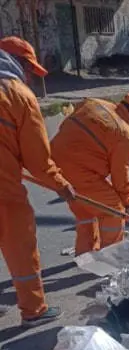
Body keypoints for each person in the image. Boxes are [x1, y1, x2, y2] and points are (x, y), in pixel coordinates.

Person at [0, 37, 76, 326]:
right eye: (29, 69)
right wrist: (61, 184)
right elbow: (38, 160)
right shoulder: (18, 95)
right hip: (3, 190)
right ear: (16, 63)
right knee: (21, 246)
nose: (30, 76)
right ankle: (34, 310)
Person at [51, 93, 129, 256]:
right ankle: (111, 258)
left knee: (86, 211)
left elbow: (71, 120)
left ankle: (85, 255)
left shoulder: (95, 102)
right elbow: (120, 174)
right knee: (113, 211)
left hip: (54, 164)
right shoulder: (125, 135)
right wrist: (128, 206)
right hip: (80, 170)